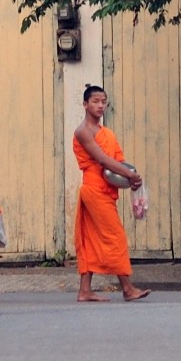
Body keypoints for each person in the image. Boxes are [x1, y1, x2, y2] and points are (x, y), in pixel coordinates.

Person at [73, 84, 149, 302]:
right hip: (94, 189)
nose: (100, 105)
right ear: (85, 104)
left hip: (107, 188)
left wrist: (130, 179)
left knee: (90, 238)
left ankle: (85, 290)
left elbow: (118, 161)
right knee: (115, 236)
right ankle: (127, 288)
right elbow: (103, 160)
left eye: (103, 101)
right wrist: (130, 175)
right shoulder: (83, 131)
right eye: (95, 101)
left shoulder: (107, 133)